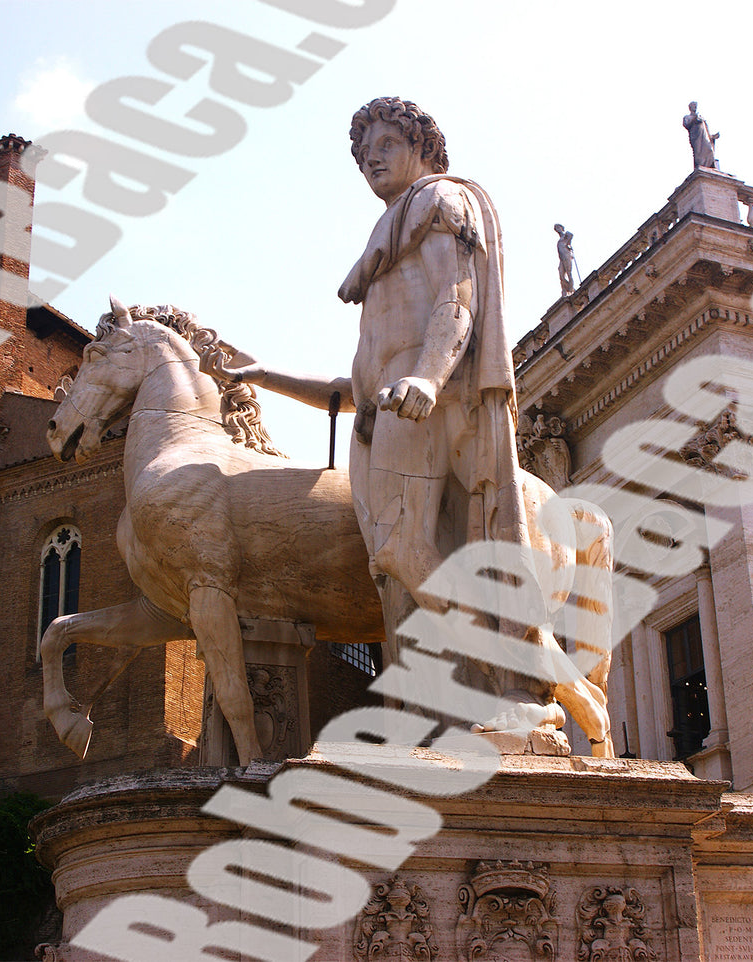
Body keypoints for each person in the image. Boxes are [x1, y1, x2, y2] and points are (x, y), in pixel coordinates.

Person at [229, 97, 558, 727]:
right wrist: (267, 374)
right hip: (394, 409)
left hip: (426, 404)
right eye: (361, 154)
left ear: (422, 146)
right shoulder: (389, 240)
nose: (370, 160)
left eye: (385, 144)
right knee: (399, 572)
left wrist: (429, 379)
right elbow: (356, 387)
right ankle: (438, 710)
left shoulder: (436, 203)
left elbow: (456, 302)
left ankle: (517, 679)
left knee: (402, 551)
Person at [682, 101, 719, 170]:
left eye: (695, 105)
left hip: (704, 137)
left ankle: (709, 167)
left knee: (709, 150)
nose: (695, 107)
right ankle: (700, 166)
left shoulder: (701, 117)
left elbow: (706, 129)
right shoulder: (687, 117)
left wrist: (712, 136)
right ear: (690, 108)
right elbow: (686, 124)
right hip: (696, 137)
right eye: (693, 105)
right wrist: (694, 119)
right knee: (698, 153)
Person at [554, 223, 578, 293]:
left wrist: (568, 243)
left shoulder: (566, 235)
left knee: (568, 272)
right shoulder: (560, 239)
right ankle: (567, 288)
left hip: (566, 255)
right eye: (556, 228)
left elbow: (571, 235)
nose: (557, 229)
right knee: (561, 274)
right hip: (561, 258)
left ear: (562, 228)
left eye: (558, 227)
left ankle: (570, 289)